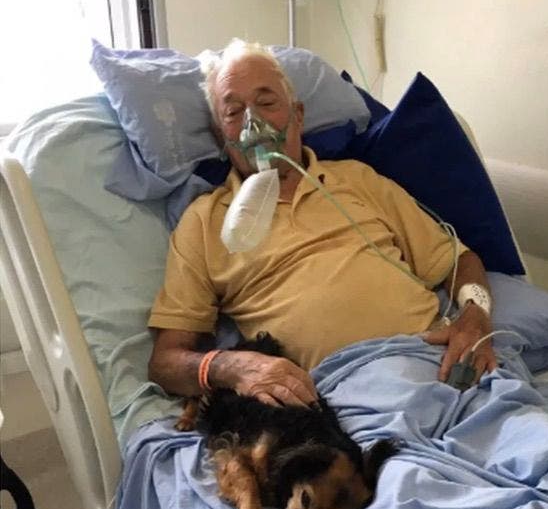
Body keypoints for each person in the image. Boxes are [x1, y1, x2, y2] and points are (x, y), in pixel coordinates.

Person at [147, 39, 498, 408]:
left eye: (267, 103)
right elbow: (165, 362)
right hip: (342, 397)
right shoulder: (204, 222)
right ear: (222, 136)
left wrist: (475, 315)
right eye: (233, 112)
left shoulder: (357, 180)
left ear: (297, 116)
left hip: (437, 362)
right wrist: (232, 367)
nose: (254, 122)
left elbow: (460, 260)